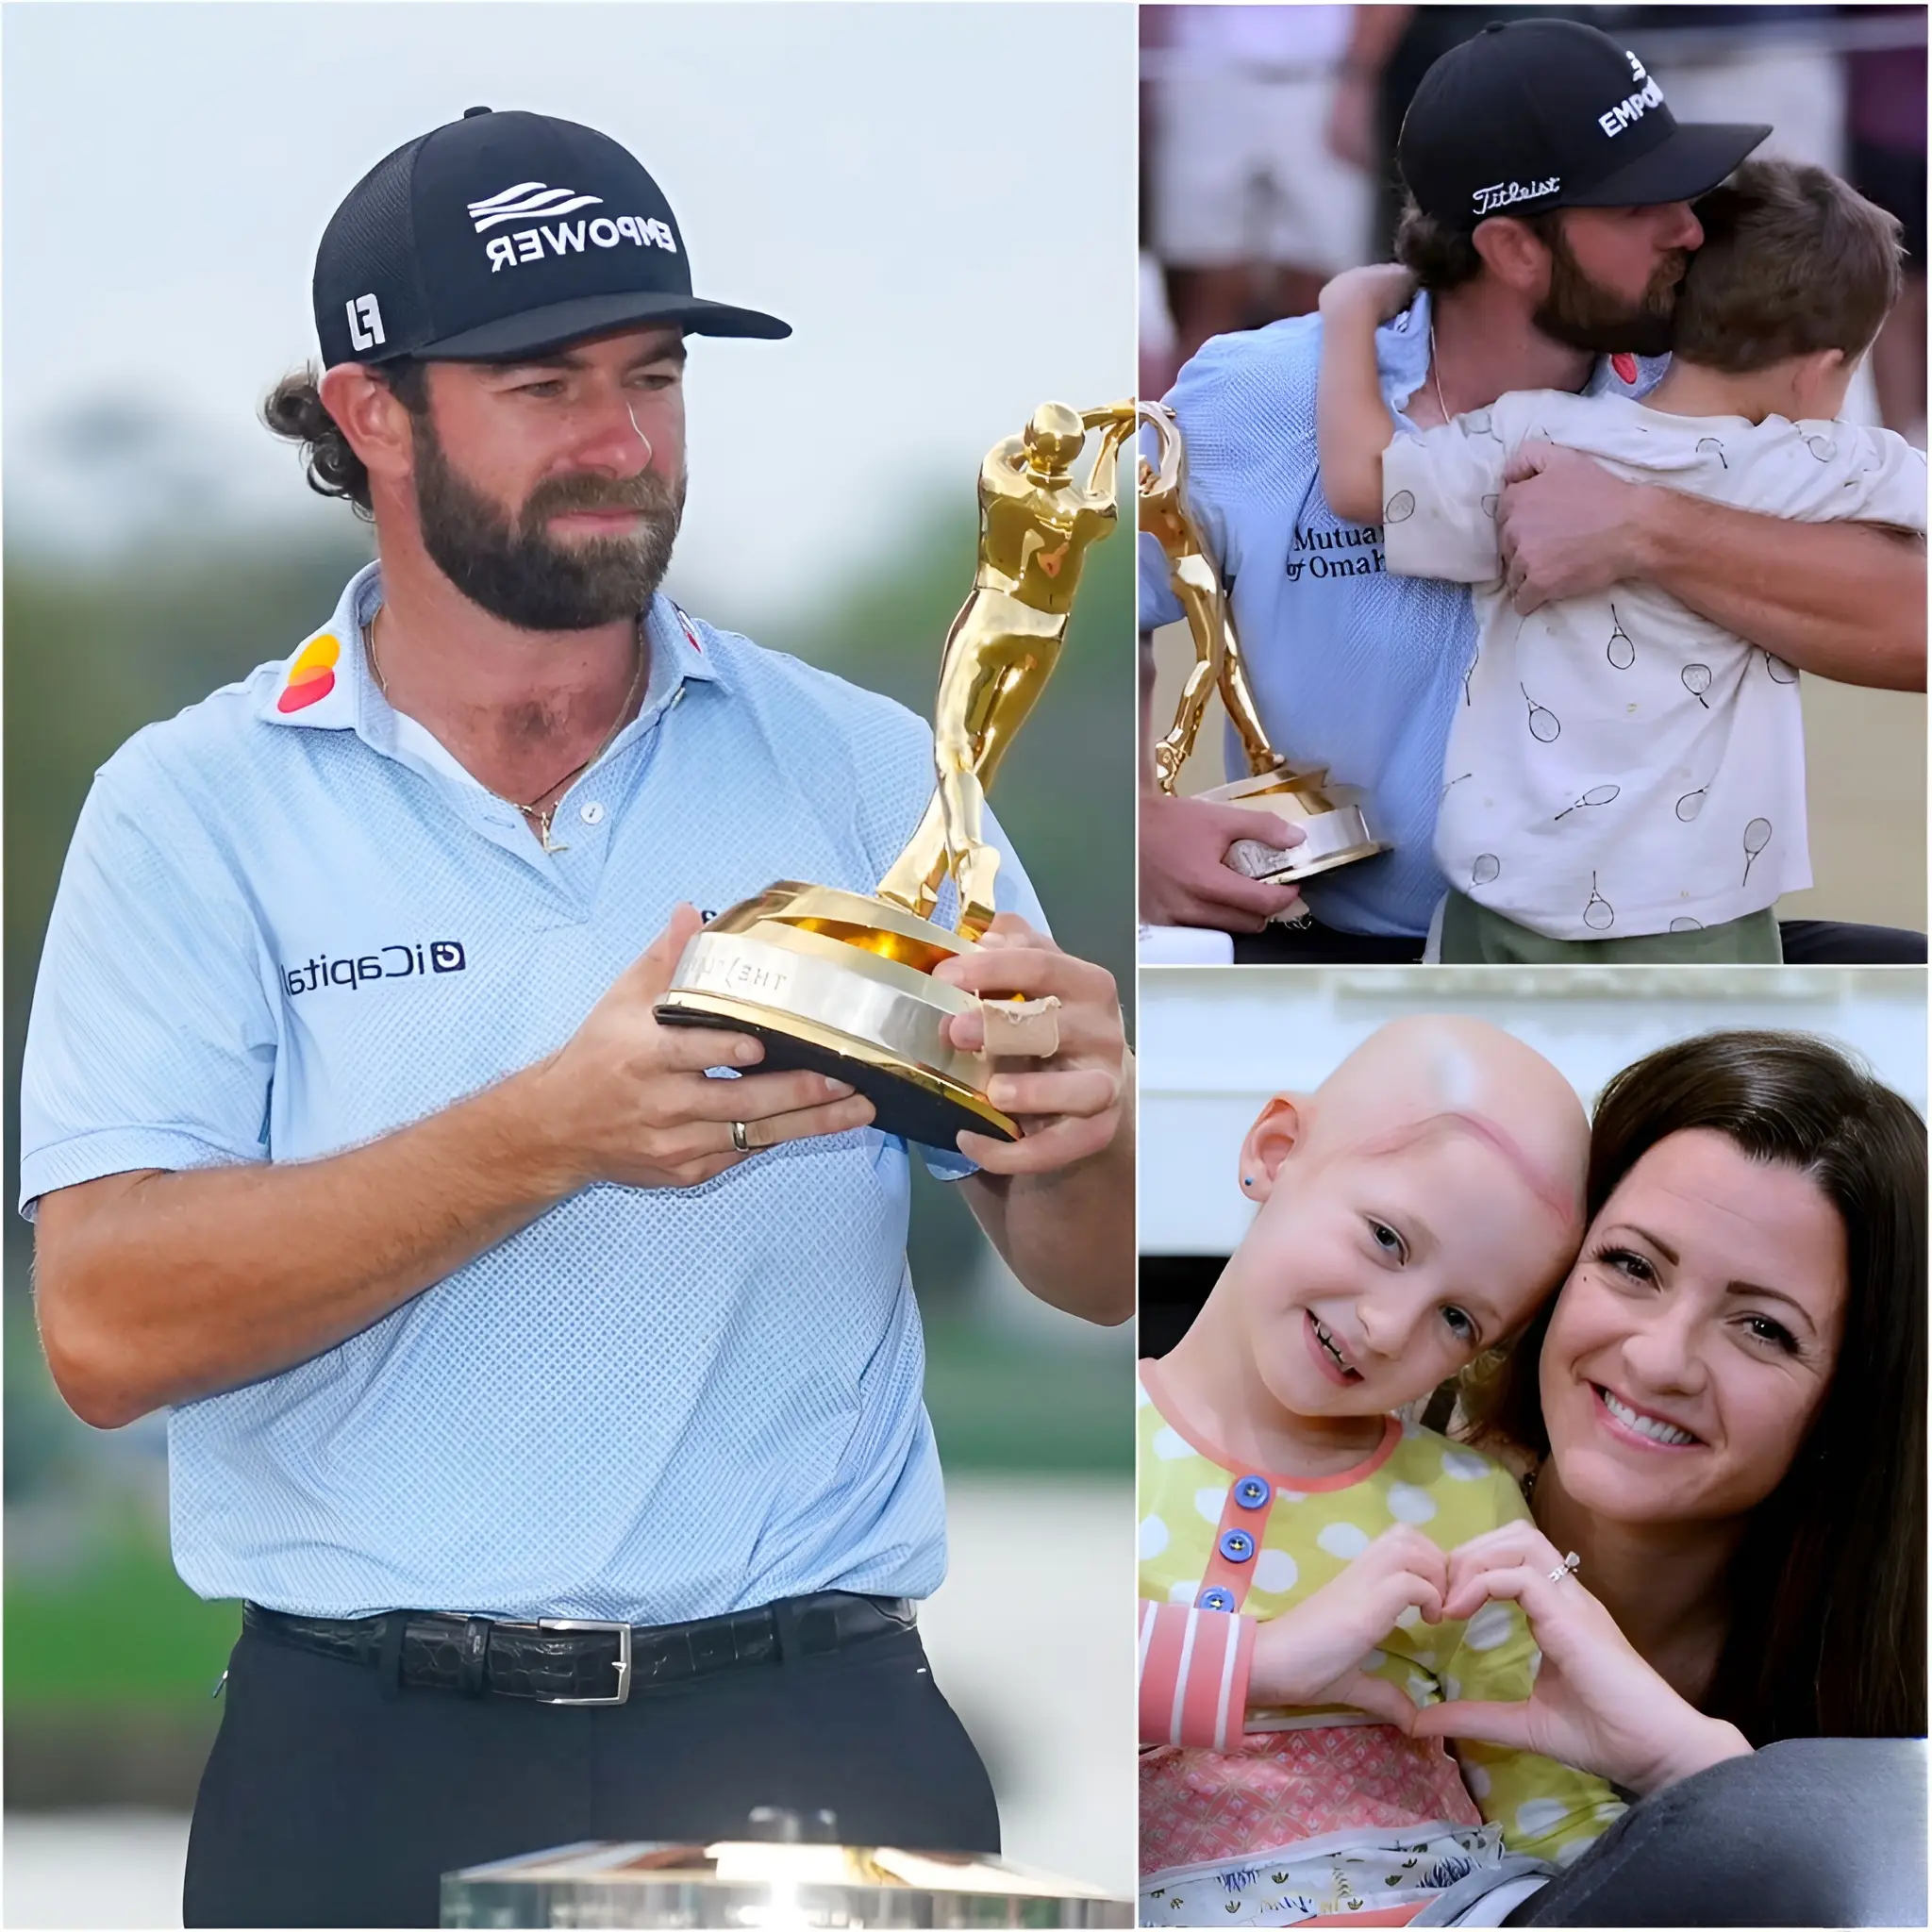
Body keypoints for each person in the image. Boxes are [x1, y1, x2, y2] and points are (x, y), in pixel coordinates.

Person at [19, 108, 1133, 1929]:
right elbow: (102, 1327)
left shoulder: (868, 769)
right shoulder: (191, 807)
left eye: (654, 375)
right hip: (357, 1756)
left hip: (815, 1723)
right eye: (544, 386)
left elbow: (1083, 1270)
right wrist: (548, 1132)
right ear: (373, 413)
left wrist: (1090, 1129)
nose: (622, 440)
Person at [1139, 18, 1926, 961]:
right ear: (1513, 249)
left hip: (1638, 943)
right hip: (1330, 939)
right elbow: (1089, 595)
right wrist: (1139, 822)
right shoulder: (1260, 392)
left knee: (1902, 978)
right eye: (1637, 206)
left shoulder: (1712, 375)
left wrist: (1648, 528)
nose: (1688, 230)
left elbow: (1913, 622)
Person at [1316, 159, 1926, 963]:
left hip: (1505, 895)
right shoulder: (1823, 466)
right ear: (1820, 372)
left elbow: (1359, 482)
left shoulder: (1532, 436)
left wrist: (1348, 313)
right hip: (1702, 911)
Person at [1412, 1029, 1927, 1924]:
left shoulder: (1898, 1655)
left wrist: (1701, 1777)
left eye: (1763, 1328)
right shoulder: (1367, 1495)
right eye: (1631, 1266)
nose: (1659, 1360)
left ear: (1851, 1399)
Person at [1136, 1016, 1624, 1925]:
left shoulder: (1466, 1505)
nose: (1392, 1328)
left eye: (1459, 1320)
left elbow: (1543, 1800)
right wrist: (1257, 1665)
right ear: (1276, 1153)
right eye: (1389, 1240)